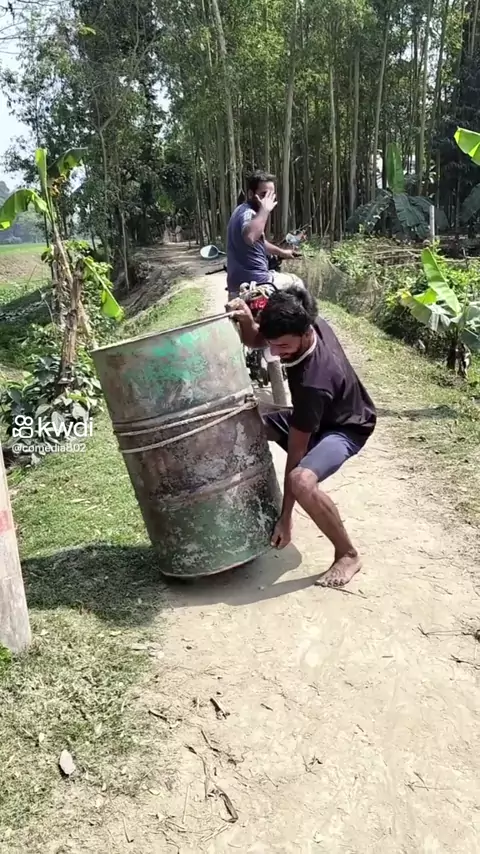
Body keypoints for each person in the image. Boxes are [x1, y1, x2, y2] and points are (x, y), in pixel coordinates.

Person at [226, 285, 376, 588]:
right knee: (242, 423)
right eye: (273, 344)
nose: (275, 353)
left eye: (282, 346)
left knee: (301, 480)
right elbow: (258, 339)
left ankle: (347, 554)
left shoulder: (313, 383)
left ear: (306, 333)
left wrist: (286, 517)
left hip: (345, 427)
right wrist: (247, 320)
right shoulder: (302, 317)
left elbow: (297, 452)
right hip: (317, 415)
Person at [226, 170, 301, 298]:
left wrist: (283, 253)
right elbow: (250, 237)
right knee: (296, 282)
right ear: (251, 194)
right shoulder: (248, 213)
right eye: (263, 194)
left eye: (271, 195)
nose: (268, 200)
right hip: (258, 281)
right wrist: (265, 210)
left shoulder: (240, 211)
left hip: (235, 285)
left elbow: (259, 242)